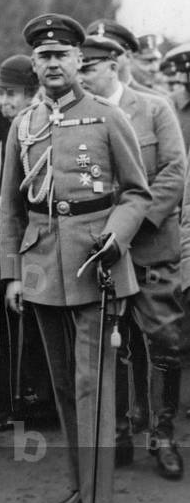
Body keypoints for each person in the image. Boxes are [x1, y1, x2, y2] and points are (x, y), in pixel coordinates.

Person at [0, 14, 151, 503]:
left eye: (62, 55)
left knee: (94, 381)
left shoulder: (107, 117)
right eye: (43, 56)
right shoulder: (25, 124)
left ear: (78, 60)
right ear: (35, 64)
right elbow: (10, 208)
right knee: (63, 383)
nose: (53, 63)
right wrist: (12, 276)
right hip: (42, 263)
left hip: (95, 262)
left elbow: (136, 192)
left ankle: (99, 499)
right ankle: (81, 484)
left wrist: (118, 233)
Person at [77, 34, 186, 479]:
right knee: (109, 344)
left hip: (150, 244)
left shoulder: (155, 108)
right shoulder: (77, 118)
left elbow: (174, 172)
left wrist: (130, 225)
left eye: (89, 66)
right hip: (102, 248)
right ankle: (118, 433)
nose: (81, 74)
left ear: (117, 63)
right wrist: (107, 234)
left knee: (164, 340)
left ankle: (162, 436)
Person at [0, 56, 52, 431]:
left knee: (36, 318)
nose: (6, 101)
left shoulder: (38, 127)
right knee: (4, 320)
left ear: (31, 93)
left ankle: (42, 398)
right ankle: (7, 396)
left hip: (34, 236)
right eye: (1, 93)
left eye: (13, 93)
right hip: (1, 235)